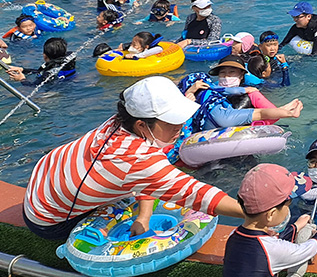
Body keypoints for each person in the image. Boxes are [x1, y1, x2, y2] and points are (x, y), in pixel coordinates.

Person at [22, 76, 245, 240]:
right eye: (172, 122)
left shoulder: (119, 122)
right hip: (50, 221)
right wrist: (250, 213)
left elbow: (142, 176)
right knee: (136, 206)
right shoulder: (136, 159)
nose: (181, 126)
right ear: (142, 125)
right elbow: (197, 194)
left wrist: (143, 217)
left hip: (42, 184)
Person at [223, 163, 317, 277]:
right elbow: (303, 251)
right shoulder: (270, 250)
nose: (288, 209)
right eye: (287, 206)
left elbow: (272, 245)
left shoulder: (233, 235)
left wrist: (295, 226)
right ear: (271, 214)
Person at [6, 37, 75, 84]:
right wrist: (23, 70)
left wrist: (22, 79)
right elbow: (40, 72)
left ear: (44, 56)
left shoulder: (48, 74)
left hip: (55, 90)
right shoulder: (67, 62)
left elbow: (33, 86)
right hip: (71, 80)